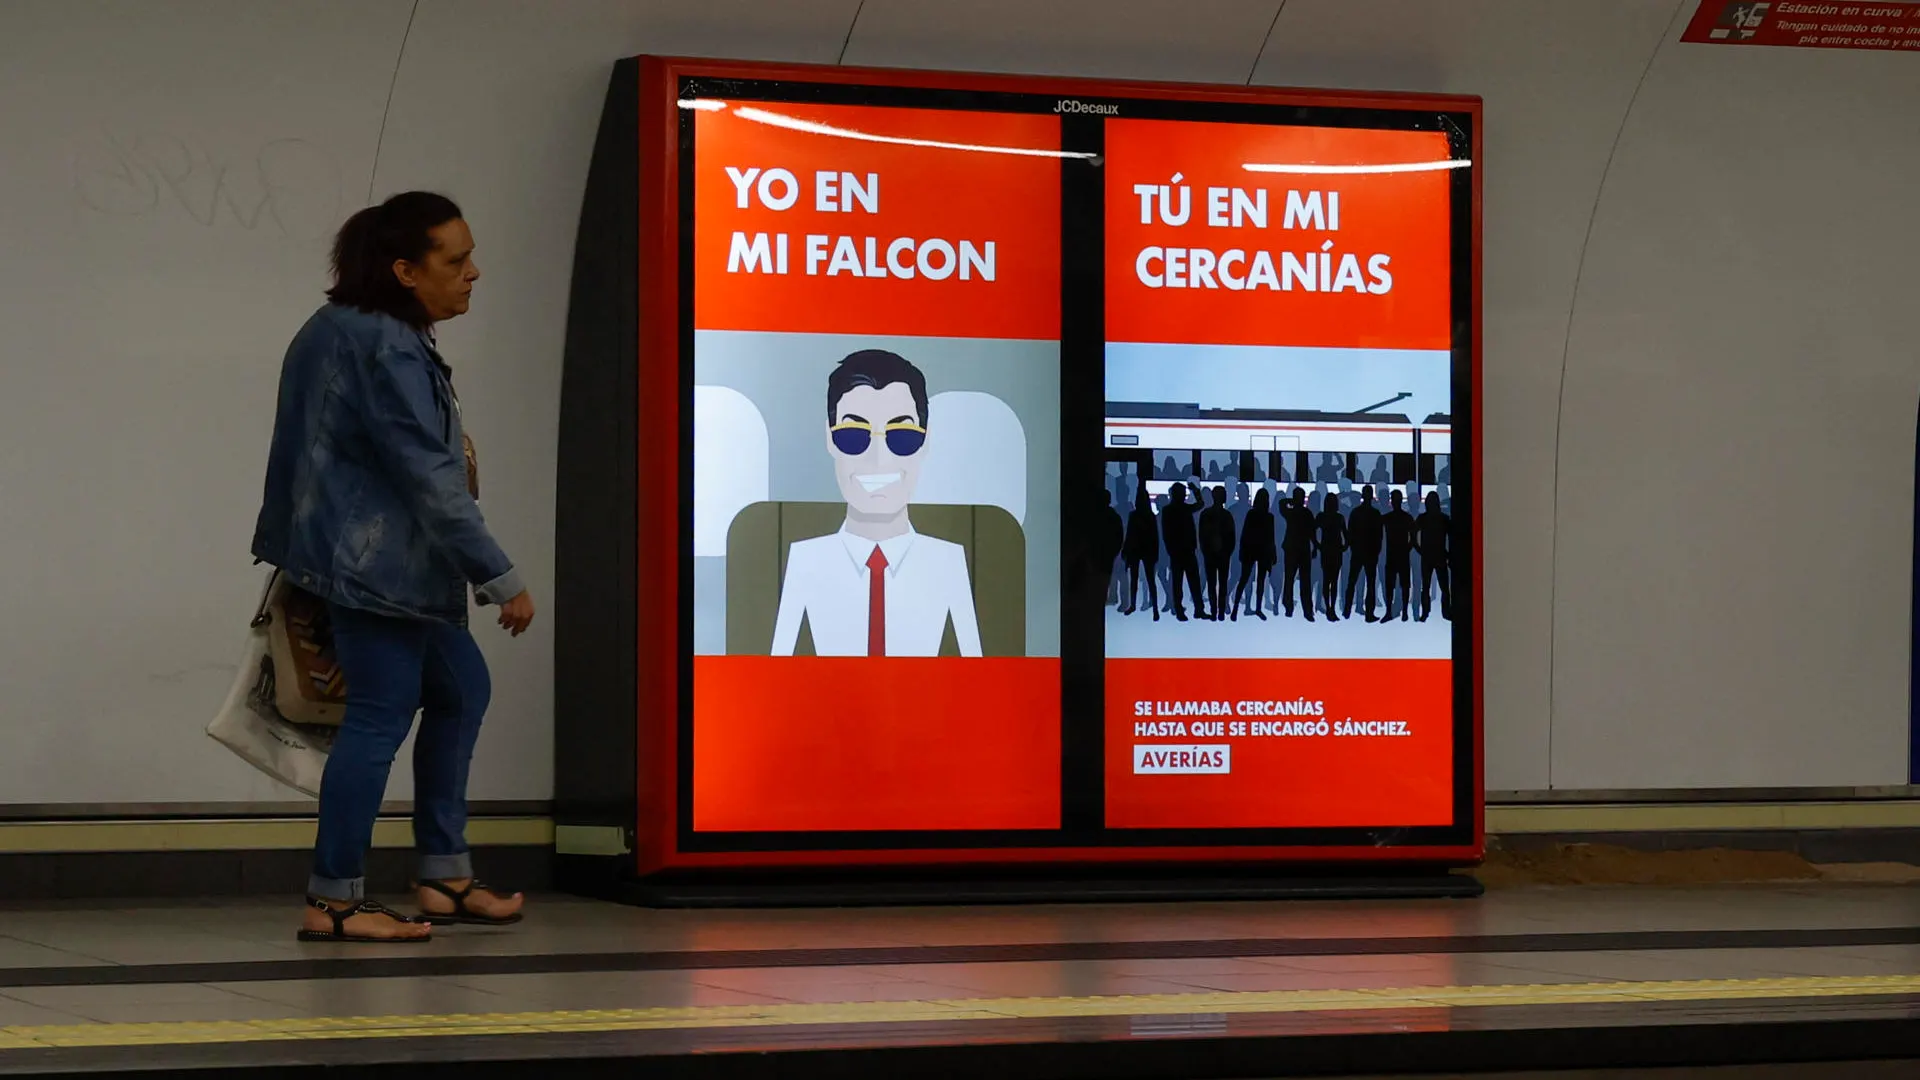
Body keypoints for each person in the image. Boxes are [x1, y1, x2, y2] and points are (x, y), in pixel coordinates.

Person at [252, 192, 533, 943]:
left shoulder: (342, 329)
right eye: (457, 260)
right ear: (406, 270)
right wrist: (500, 575)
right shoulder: (387, 347)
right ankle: (335, 898)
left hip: (370, 561)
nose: (475, 273)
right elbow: (430, 479)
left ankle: (444, 872)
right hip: (377, 569)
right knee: (378, 718)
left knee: (460, 688)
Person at [772, 351, 981, 657]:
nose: (879, 458)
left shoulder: (948, 562)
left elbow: (979, 673)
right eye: (854, 435)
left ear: (926, 440)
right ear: (829, 439)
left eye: (902, 435)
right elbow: (773, 674)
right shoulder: (805, 560)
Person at [1160, 482, 1206, 621]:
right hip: (1182, 551)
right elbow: (1200, 504)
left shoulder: (1169, 510)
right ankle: (1191, 610)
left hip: (1180, 551)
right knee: (1188, 582)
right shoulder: (1181, 509)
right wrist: (1196, 491)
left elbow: (1166, 533)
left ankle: (1183, 610)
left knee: (1180, 583)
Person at [1230, 487, 1276, 622]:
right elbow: (1271, 538)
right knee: (1259, 581)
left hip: (1250, 550)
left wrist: (1241, 550)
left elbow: (1245, 534)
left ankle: (1236, 609)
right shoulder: (1269, 517)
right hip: (1262, 551)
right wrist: (1273, 555)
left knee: (1244, 579)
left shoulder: (1252, 514)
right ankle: (1257, 609)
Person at [1344, 484, 1384, 622]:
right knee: (1370, 584)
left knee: (1352, 581)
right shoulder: (1375, 513)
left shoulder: (1355, 512)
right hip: (1370, 553)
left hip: (1358, 551)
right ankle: (1368, 614)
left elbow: (1350, 533)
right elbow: (1379, 536)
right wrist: (1376, 550)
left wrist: (1352, 547)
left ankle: (1347, 610)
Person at [1121, 484, 1160, 620]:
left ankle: (1140, 606)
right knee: (1147, 580)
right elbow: (1153, 536)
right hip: (1141, 550)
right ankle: (1152, 608)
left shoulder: (1138, 515)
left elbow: (1130, 534)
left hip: (1139, 549)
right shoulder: (1149, 516)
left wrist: (1126, 550)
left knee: (1139, 579)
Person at [1198, 486, 1235, 621]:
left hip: (1213, 555)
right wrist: (1227, 552)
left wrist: (1206, 552)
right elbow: (1232, 537)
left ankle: (1215, 611)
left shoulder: (1206, 514)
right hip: (1220, 555)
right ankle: (1218, 611)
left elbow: (1202, 536)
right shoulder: (1226, 515)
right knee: (1221, 583)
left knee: (1212, 584)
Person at [1415, 489, 1453, 621]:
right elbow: (1452, 538)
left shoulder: (1423, 518)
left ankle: (1425, 612)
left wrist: (1418, 548)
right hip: (1439, 555)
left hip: (1427, 556)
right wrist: (1449, 554)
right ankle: (1446, 612)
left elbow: (1413, 534)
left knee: (1426, 587)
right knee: (1443, 588)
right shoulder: (1443, 518)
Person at [1280, 486, 1316, 620]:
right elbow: (1312, 533)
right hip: (1303, 549)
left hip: (1293, 549)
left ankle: (1289, 607)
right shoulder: (1307, 513)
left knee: (1290, 580)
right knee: (1304, 581)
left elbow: (1281, 503)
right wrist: (1315, 548)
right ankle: (1307, 611)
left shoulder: (1290, 512)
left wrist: (1291, 501)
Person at [1381, 488, 1416, 622]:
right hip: (1399, 555)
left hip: (1394, 555)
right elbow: (1412, 538)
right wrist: (1406, 549)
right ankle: (1403, 612)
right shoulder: (1406, 518)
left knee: (1396, 585)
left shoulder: (1388, 518)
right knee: (1402, 585)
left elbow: (1412, 538)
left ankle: (1393, 611)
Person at [1315, 492, 1348, 621]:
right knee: (1333, 581)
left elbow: (1312, 531)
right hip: (1335, 550)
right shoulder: (1338, 517)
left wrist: (1317, 545)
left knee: (1327, 580)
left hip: (1327, 550)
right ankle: (1331, 608)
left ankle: (1330, 608)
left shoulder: (1322, 516)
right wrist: (1345, 545)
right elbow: (1345, 533)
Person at [1098, 487, 1126, 608]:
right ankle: (1113, 598)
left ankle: (1118, 599)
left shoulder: (1107, 515)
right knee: (1112, 577)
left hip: (1110, 552)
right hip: (1111, 551)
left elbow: (1119, 535)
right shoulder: (1113, 515)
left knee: (1115, 576)